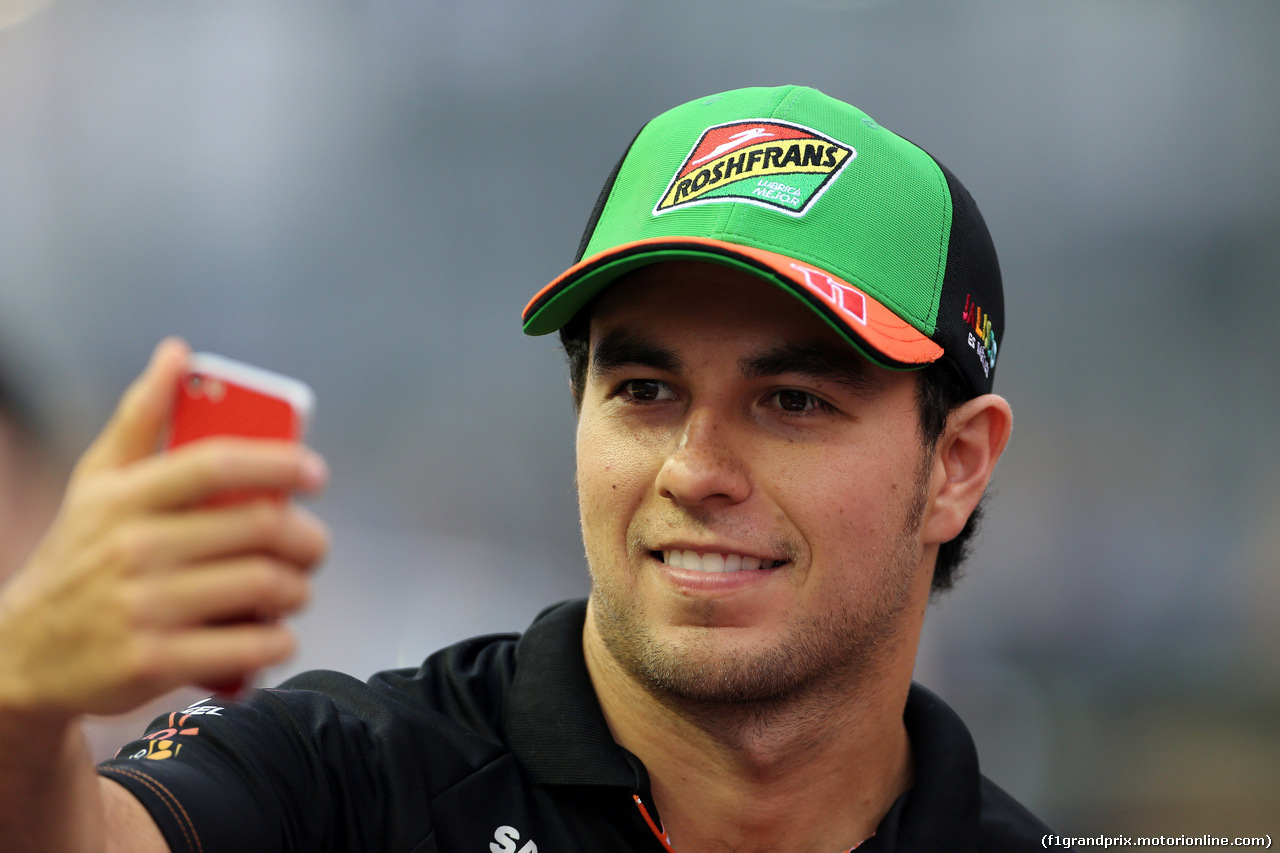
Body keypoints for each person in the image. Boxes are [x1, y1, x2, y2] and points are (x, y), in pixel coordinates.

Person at [0, 85, 1052, 852]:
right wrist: (21, 695)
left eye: (791, 402)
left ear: (954, 466)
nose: (694, 470)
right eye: (644, 391)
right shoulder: (352, 783)